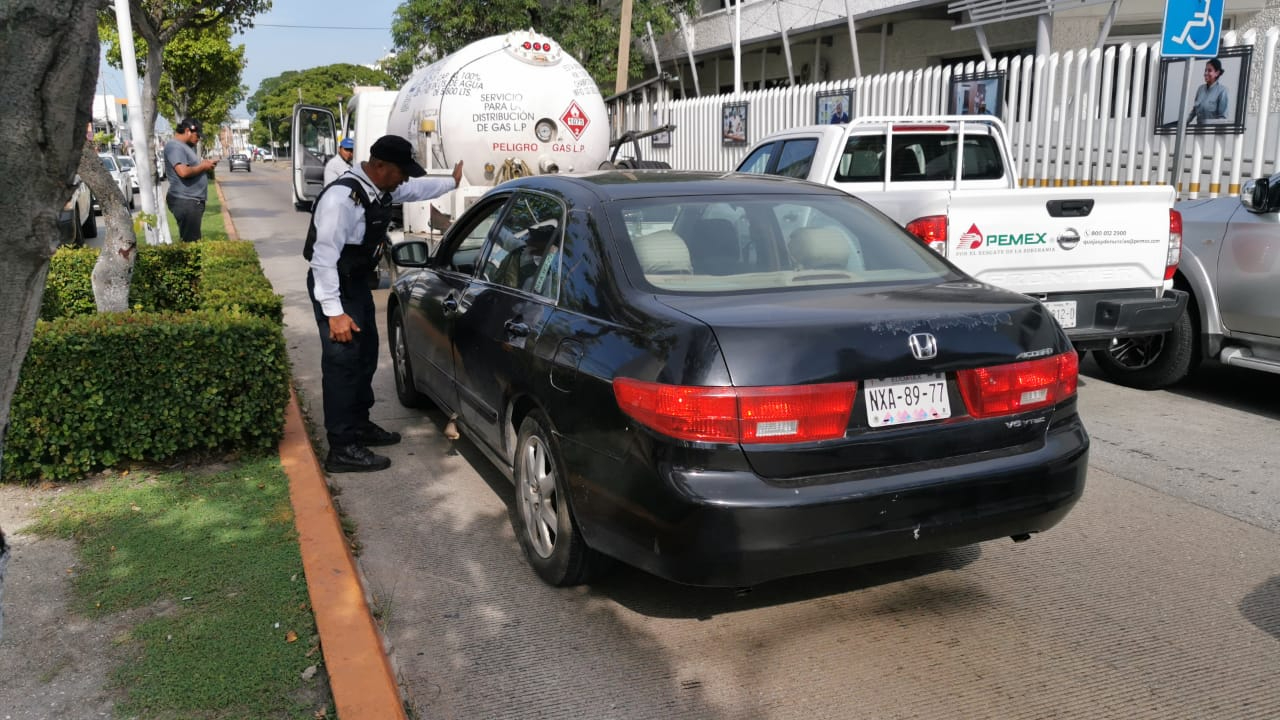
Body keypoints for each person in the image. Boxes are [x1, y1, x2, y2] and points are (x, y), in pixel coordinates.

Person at [305, 135, 463, 473]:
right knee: (343, 365)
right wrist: (334, 314)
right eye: (401, 171)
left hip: (357, 283)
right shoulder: (341, 199)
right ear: (379, 166)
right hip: (336, 287)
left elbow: (418, 189)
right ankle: (343, 448)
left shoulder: (382, 187)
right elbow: (323, 260)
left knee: (364, 357)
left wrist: (452, 181)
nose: (405, 178)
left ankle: (359, 426)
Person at [163, 118, 218, 242]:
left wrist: (206, 166)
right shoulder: (175, 146)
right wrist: (203, 166)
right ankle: (191, 261)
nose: (198, 139)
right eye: (197, 135)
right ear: (188, 131)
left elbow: (192, 169)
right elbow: (183, 172)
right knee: (191, 242)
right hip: (185, 200)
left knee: (192, 240)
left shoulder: (185, 147)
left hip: (191, 200)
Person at [1188, 58, 1228, 125]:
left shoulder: (1222, 91)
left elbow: (1223, 119)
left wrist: (1207, 122)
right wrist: (1183, 123)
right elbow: (1194, 111)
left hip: (1211, 133)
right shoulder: (1200, 89)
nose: (1205, 73)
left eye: (1209, 70)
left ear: (1217, 73)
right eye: (1205, 70)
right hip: (1198, 131)